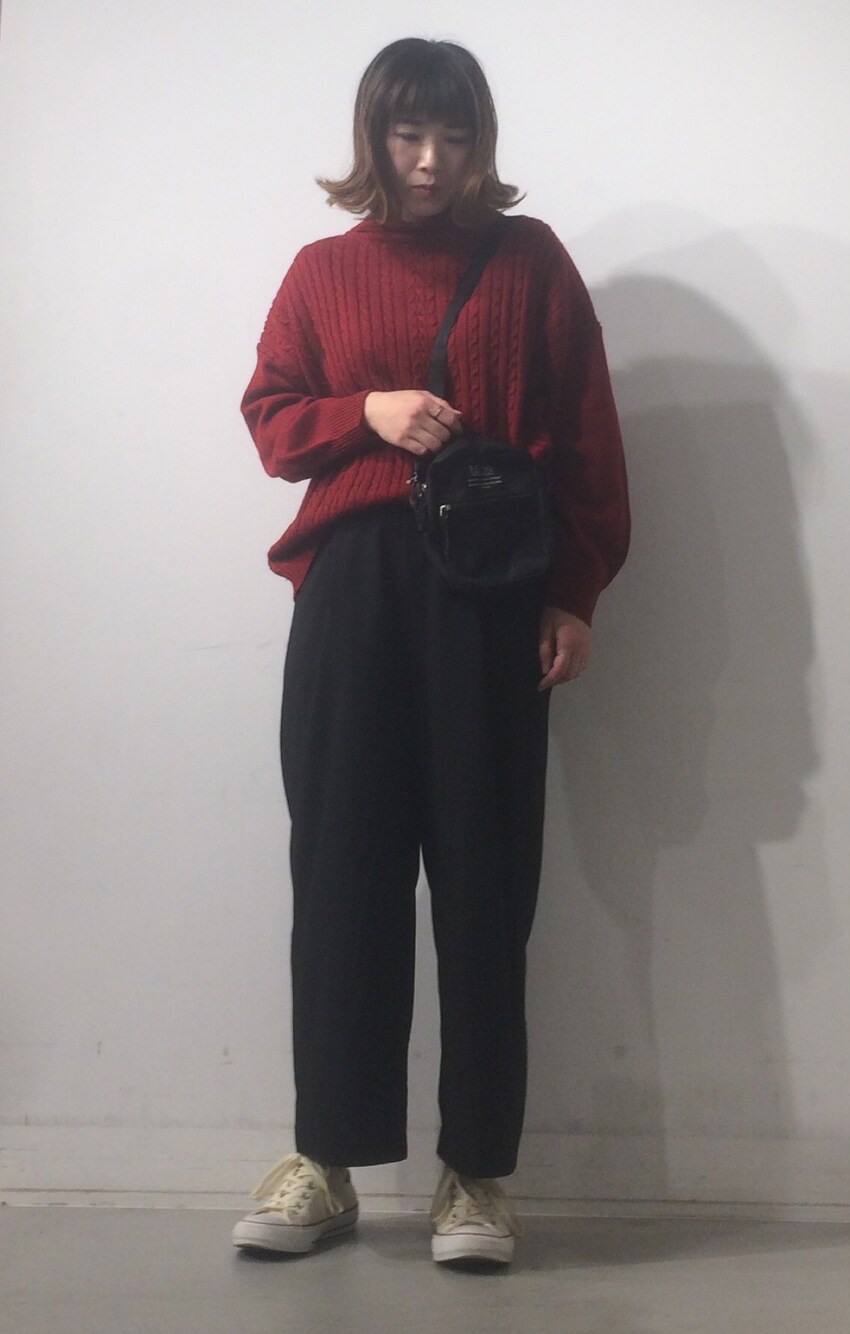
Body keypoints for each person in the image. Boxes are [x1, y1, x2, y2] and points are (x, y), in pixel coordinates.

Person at [232, 36, 629, 1267]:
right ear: (373, 137)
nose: (429, 160)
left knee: (485, 879)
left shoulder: (529, 260)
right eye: (408, 134)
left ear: (481, 143)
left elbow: (585, 438)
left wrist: (573, 594)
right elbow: (270, 420)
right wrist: (368, 410)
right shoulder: (322, 271)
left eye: (454, 137)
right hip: (351, 591)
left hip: (490, 598)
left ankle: (477, 1172)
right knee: (339, 873)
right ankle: (328, 1159)